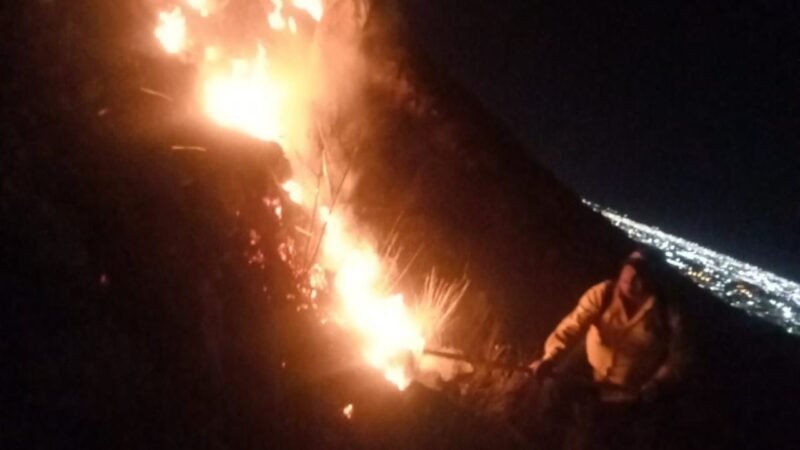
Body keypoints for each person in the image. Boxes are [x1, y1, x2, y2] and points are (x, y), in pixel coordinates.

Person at [527, 248, 687, 445]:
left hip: (628, 389)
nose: (632, 276)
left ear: (653, 278)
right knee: (551, 388)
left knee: (592, 436)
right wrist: (550, 357)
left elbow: (679, 358)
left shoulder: (667, 312)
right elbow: (572, 327)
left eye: (641, 272)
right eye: (630, 267)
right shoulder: (604, 293)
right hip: (589, 366)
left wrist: (657, 384)